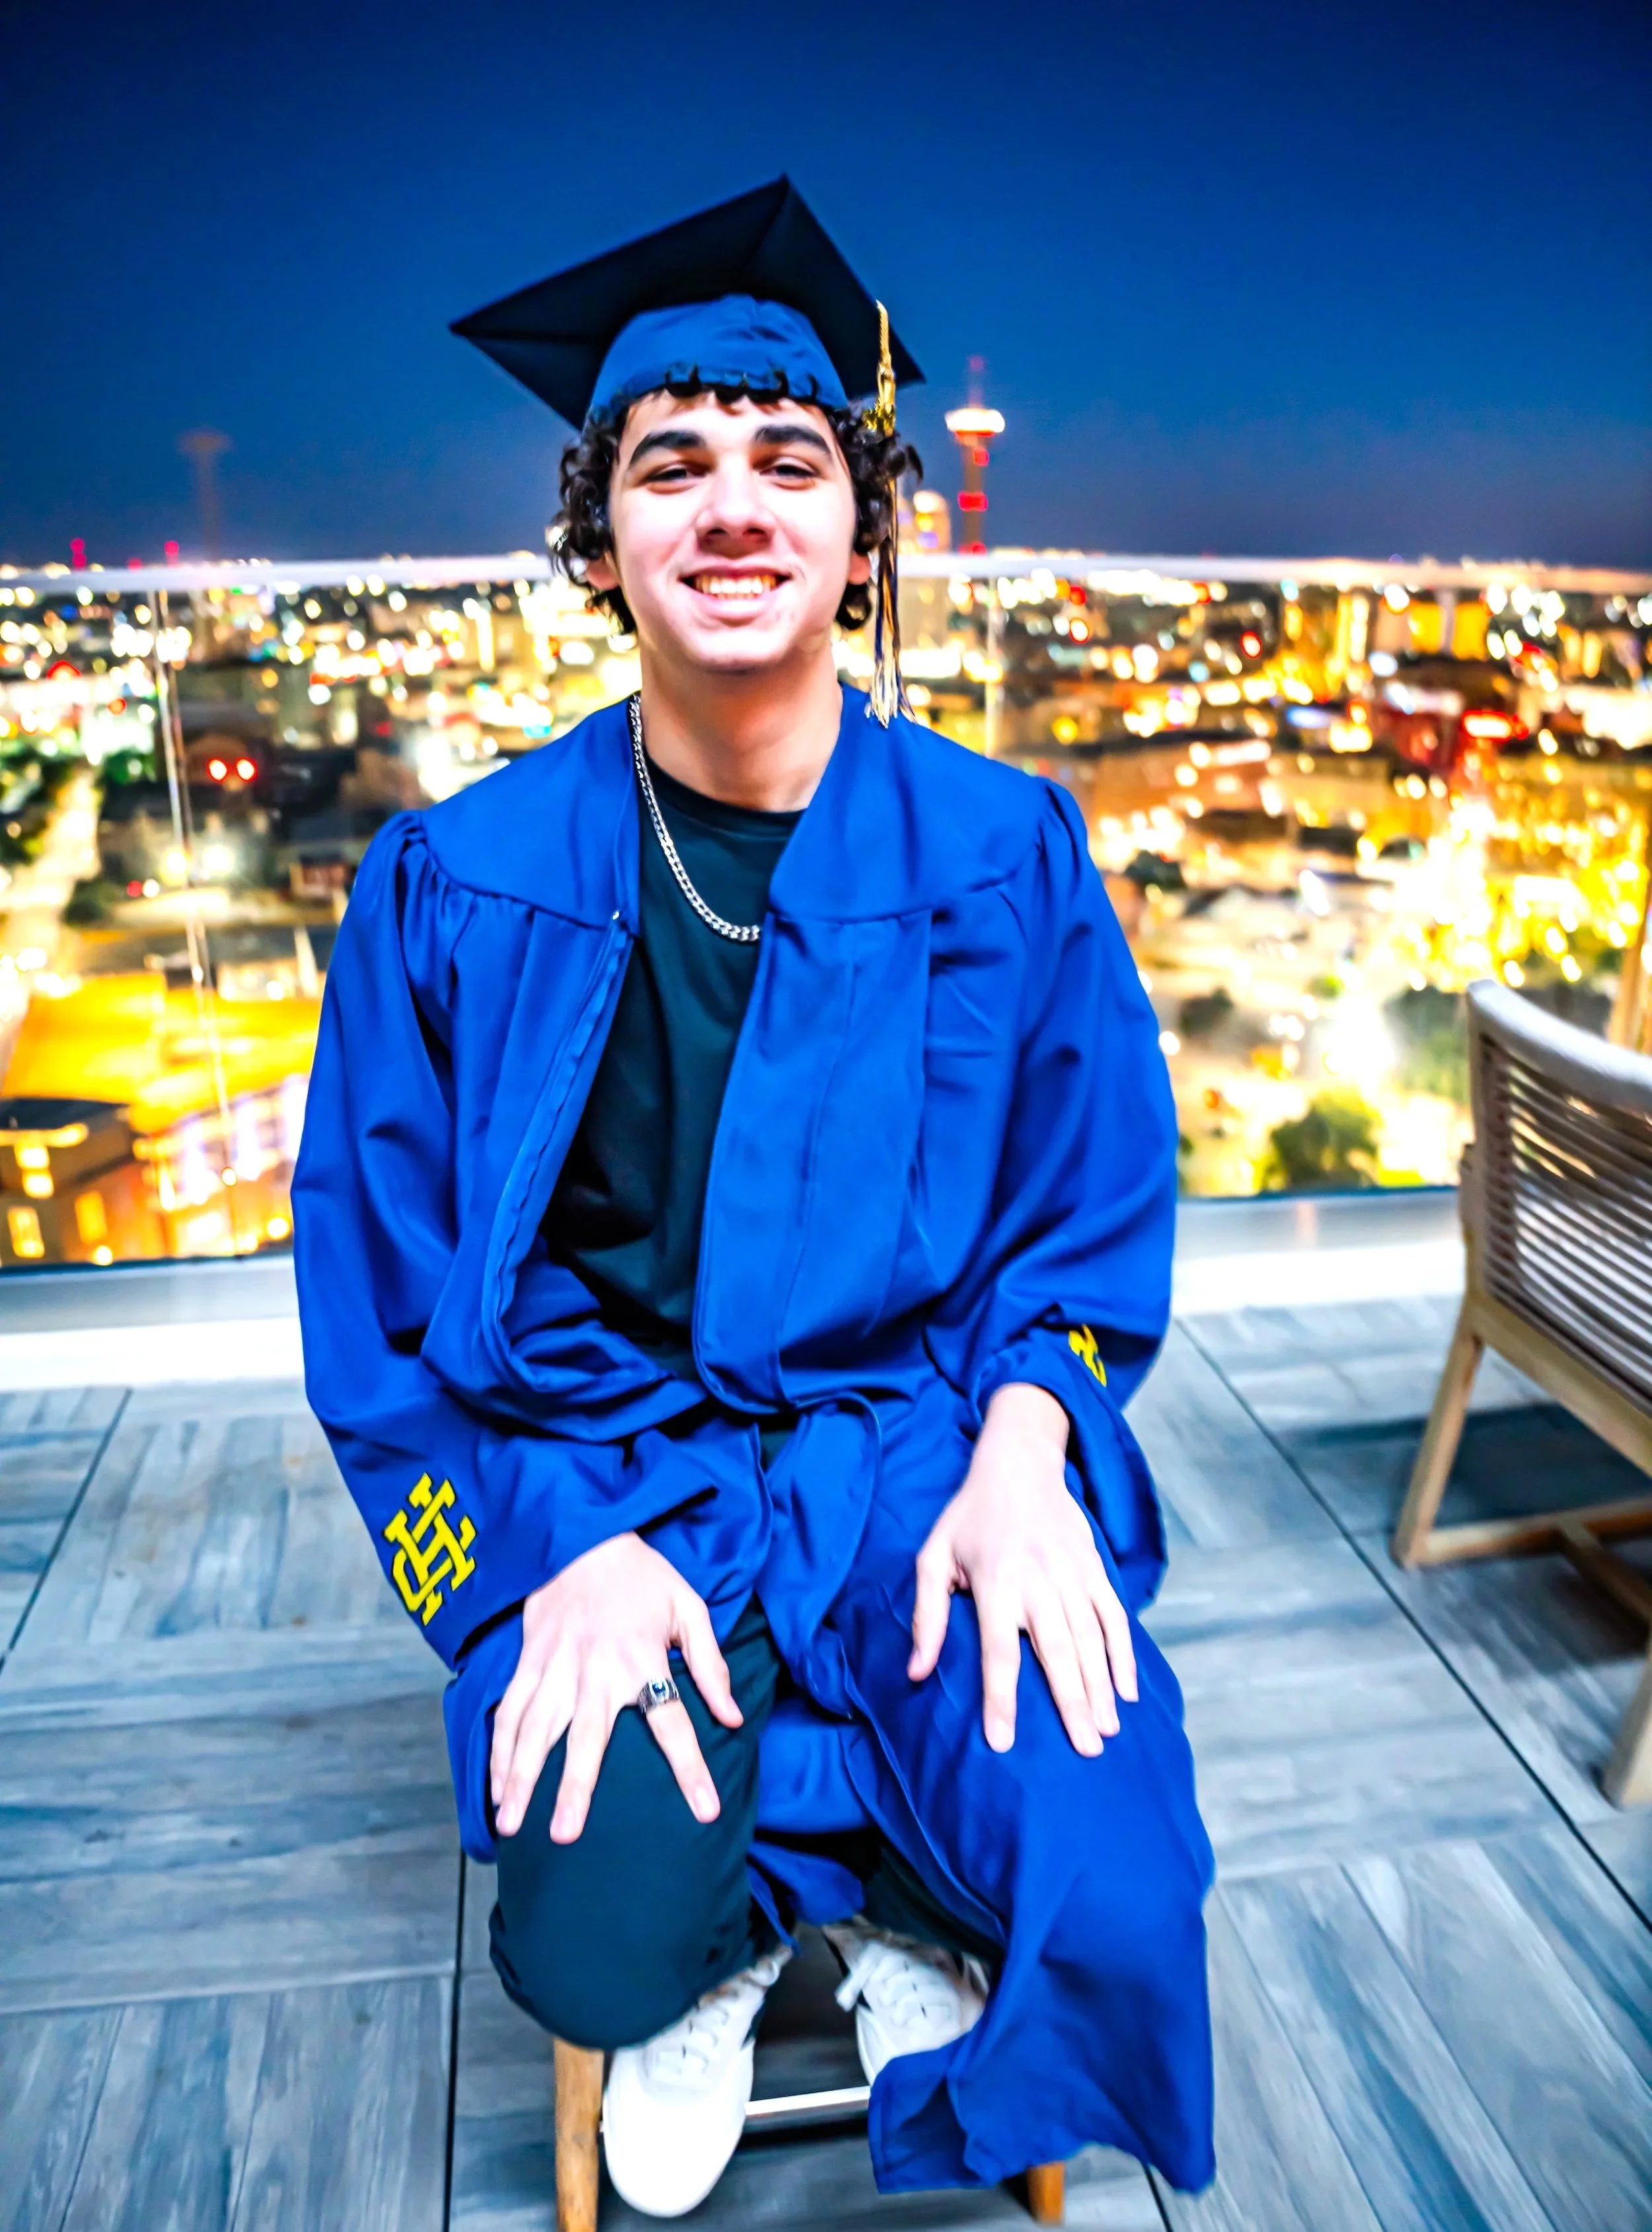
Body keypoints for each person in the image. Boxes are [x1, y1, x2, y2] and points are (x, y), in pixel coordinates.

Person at [293, 176, 1214, 2218]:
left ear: (861, 537)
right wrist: (541, 1556)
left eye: (788, 462)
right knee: (600, 1935)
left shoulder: (1002, 853)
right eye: (668, 464)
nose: (731, 506)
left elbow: (1085, 1209)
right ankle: (759, 1930)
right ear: (598, 538)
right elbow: (375, 1329)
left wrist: (1030, 1448)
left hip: (913, 1448)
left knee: (1116, 1859)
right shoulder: (461, 880)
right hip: (595, 1464)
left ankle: (892, 1906)